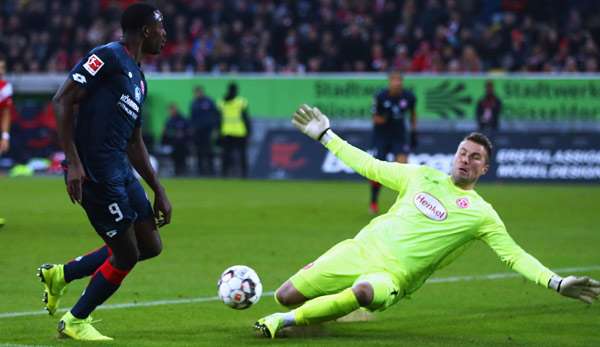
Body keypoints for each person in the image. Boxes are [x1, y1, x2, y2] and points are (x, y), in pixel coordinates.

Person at [254, 104, 600, 339]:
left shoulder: (481, 213)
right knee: (286, 294)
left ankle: (288, 322)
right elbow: (369, 165)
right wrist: (326, 135)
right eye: (463, 153)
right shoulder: (420, 176)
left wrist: (556, 282)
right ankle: (311, 319)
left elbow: (514, 256)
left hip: (393, 276)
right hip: (359, 250)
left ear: (484, 169)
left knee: (361, 292)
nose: (466, 160)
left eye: (475, 157)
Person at [40, 3, 171, 341]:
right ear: (145, 30)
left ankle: (62, 275)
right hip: (94, 173)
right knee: (126, 253)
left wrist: (159, 188)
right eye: (160, 27)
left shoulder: (139, 79)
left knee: (150, 245)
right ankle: (75, 321)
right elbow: (62, 100)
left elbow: (134, 140)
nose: (164, 34)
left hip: (121, 171)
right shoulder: (107, 57)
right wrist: (73, 162)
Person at [370, 71, 417, 214]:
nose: (397, 83)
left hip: (399, 136)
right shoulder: (380, 97)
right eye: (394, 80)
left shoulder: (409, 97)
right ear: (389, 81)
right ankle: (373, 201)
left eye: (399, 80)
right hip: (382, 136)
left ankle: (403, 205)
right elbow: (375, 119)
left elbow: (413, 114)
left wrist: (414, 132)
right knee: (378, 171)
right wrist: (386, 117)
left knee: (403, 169)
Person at [217, 82, 251, 178]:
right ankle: (244, 175)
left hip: (226, 132)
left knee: (226, 155)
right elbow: (246, 118)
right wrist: (249, 131)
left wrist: (219, 132)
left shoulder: (222, 102)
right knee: (242, 155)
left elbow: (219, 119)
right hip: (240, 132)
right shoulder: (241, 102)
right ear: (236, 90)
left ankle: (224, 174)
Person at [190, 86, 219, 176]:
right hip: (198, 131)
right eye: (196, 92)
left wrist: (215, 129)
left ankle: (211, 169)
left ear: (202, 92)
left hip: (208, 130)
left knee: (209, 150)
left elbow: (215, 115)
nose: (198, 94)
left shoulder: (209, 101)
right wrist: (192, 129)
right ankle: (200, 170)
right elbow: (192, 118)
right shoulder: (194, 103)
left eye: (199, 92)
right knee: (198, 151)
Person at [0, 57, 13, 228]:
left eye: (3, 67)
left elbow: (6, 112)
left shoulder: (5, 87)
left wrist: (5, 136)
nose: (1, 70)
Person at [162, 103, 191, 176]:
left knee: (182, 158)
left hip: (183, 143)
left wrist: (183, 134)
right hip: (173, 143)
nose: (171, 111)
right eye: (170, 110)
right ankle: (176, 172)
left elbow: (189, 130)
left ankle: (183, 172)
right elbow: (166, 132)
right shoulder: (169, 120)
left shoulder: (183, 119)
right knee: (175, 158)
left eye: (173, 109)